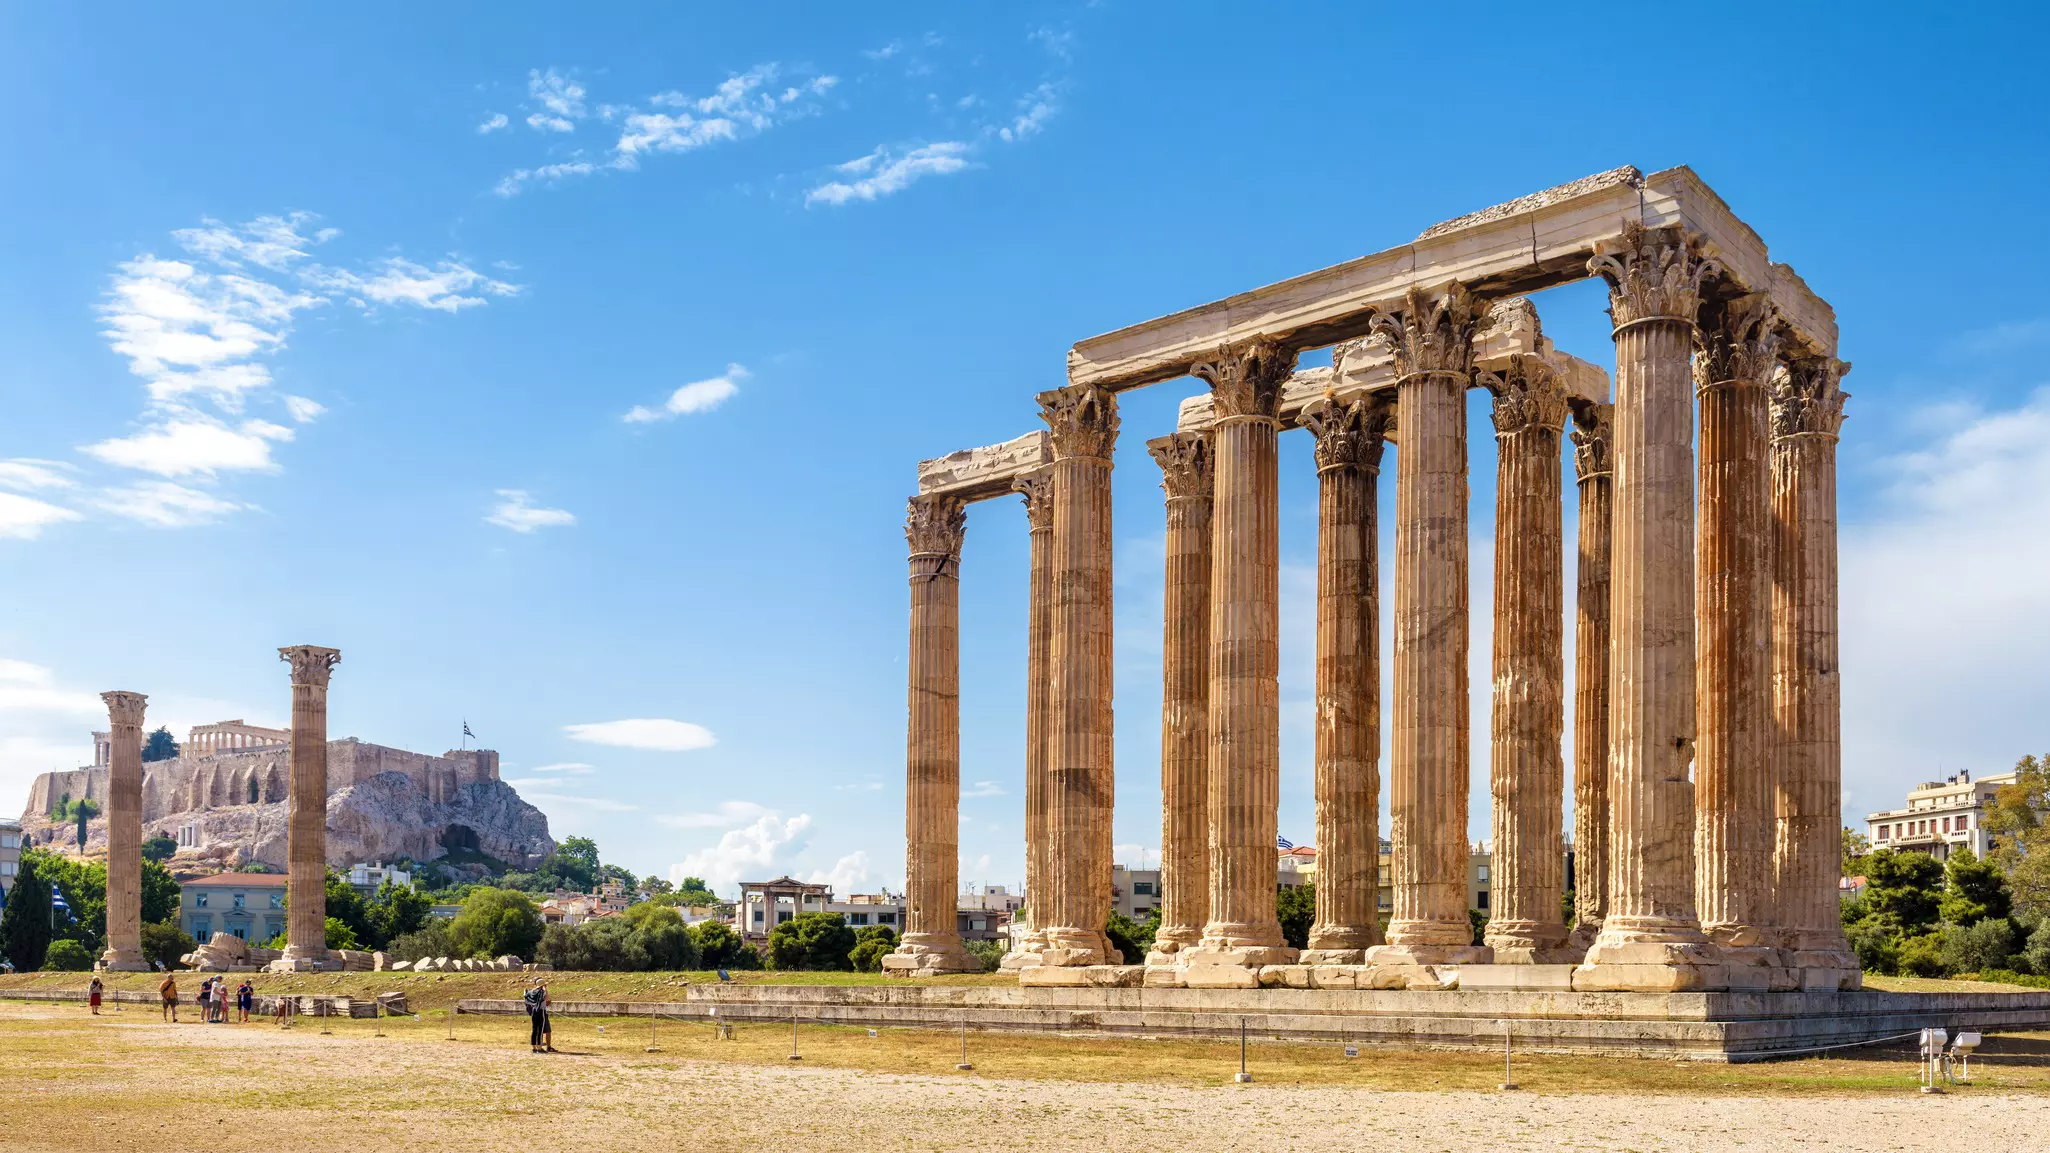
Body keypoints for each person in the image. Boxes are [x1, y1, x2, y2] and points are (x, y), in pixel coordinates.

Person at [523, 980, 552, 1053]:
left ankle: (534, 1047)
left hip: (533, 1011)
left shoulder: (532, 991)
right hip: (540, 1011)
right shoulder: (542, 992)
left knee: (534, 1029)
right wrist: (545, 990)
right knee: (540, 1030)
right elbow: (547, 999)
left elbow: (526, 997)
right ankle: (539, 1048)